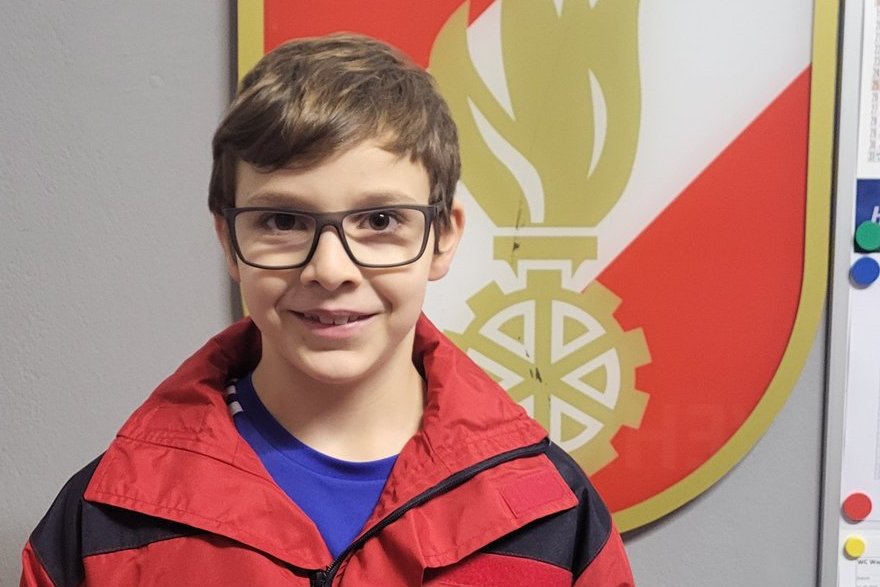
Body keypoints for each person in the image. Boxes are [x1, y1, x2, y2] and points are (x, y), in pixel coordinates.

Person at [20, 34, 635, 586]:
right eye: (283, 221)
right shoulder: (102, 522)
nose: (331, 269)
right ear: (229, 242)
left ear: (443, 237)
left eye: (381, 220)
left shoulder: (556, 519)